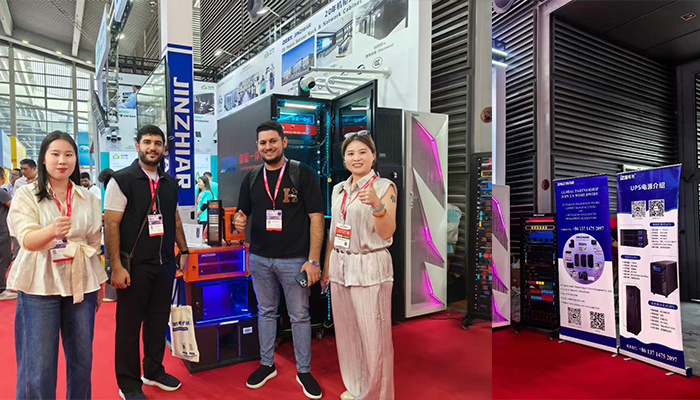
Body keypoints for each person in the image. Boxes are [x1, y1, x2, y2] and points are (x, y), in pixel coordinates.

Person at [7, 131, 107, 399]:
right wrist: (51, 230)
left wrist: (99, 282)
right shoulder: (27, 194)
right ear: (43, 158)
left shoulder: (88, 197)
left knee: (82, 360)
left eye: (68, 154)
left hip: (81, 281)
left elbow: (94, 241)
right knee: (38, 366)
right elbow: (26, 240)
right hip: (39, 281)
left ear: (76, 159)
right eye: (55, 154)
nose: (62, 160)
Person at [234, 120, 324, 399]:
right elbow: (241, 213)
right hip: (260, 258)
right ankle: (267, 364)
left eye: (273, 141)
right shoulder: (252, 178)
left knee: (300, 316)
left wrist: (313, 260)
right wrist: (238, 221)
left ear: (284, 142)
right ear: (257, 147)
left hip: (295, 259)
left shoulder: (301, 173)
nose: (268, 146)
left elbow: (316, 218)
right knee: (265, 312)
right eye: (263, 142)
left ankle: (304, 370)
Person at [104, 125, 189, 400]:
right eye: (147, 142)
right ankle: (128, 383)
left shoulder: (170, 183)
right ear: (137, 145)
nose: (152, 147)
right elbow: (111, 224)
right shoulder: (122, 180)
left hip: (164, 264)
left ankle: (153, 370)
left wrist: (184, 250)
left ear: (164, 148)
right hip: (134, 266)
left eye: (157, 143)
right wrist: (116, 266)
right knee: (129, 327)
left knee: (157, 322)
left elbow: (174, 219)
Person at [320, 132, 397, 400]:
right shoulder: (339, 189)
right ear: (344, 159)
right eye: (350, 153)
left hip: (370, 264)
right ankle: (356, 387)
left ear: (373, 156)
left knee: (374, 337)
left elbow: (387, 232)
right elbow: (334, 233)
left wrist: (377, 206)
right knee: (348, 333)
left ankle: (377, 395)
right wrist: (327, 267)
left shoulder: (384, 187)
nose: (356, 158)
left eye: (362, 152)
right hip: (340, 264)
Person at [0, 167, 14, 300]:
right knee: (3, 259)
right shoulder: (1, 192)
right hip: (2, 230)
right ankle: (1, 289)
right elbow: (14, 206)